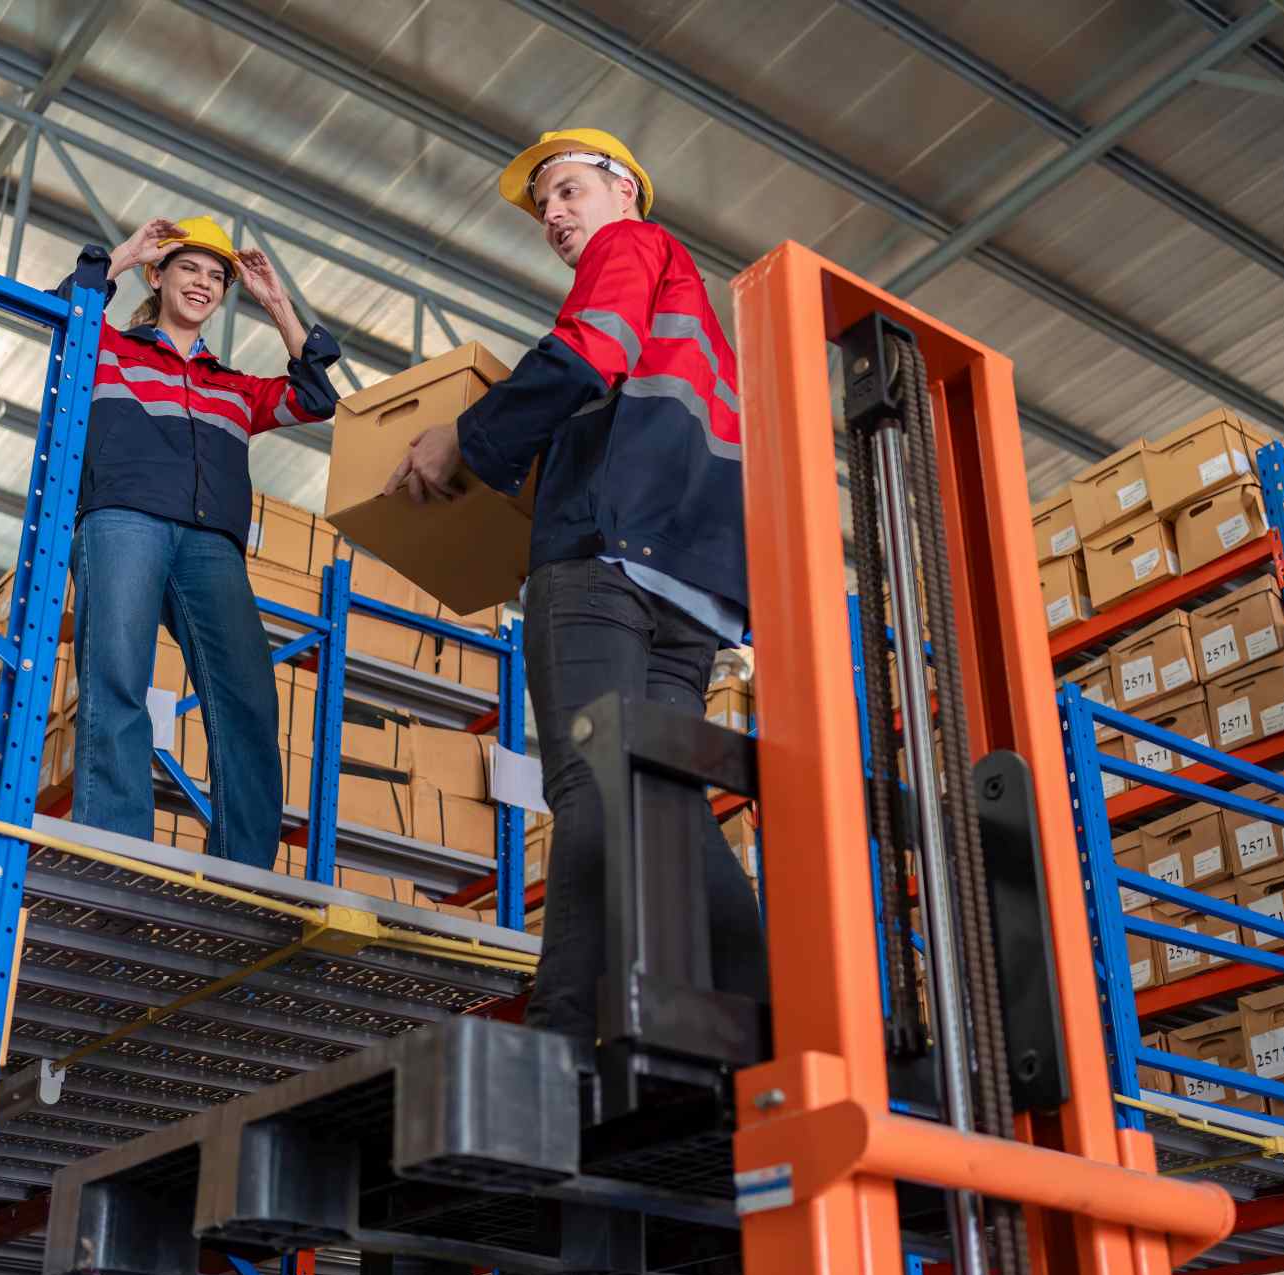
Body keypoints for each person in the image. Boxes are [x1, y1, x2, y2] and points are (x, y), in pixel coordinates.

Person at [384, 129, 769, 1041]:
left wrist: (464, 441)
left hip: (608, 560)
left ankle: (558, 1029)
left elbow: (584, 353)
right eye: (545, 206)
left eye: (567, 191)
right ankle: (772, 1011)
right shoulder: (698, 319)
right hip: (691, 585)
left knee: (590, 781)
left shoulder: (630, 248)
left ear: (624, 188)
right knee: (665, 802)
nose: (555, 215)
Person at [57, 217, 341, 864]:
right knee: (118, 678)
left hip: (212, 541)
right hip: (122, 517)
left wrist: (275, 301)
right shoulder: (110, 351)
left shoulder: (234, 388)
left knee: (248, 698)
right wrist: (127, 253)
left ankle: (244, 870)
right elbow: (65, 309)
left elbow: (317, 396)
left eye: (217, 277)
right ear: (159, 276)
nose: (205, 284)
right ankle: (114, 853)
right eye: (190, 268)